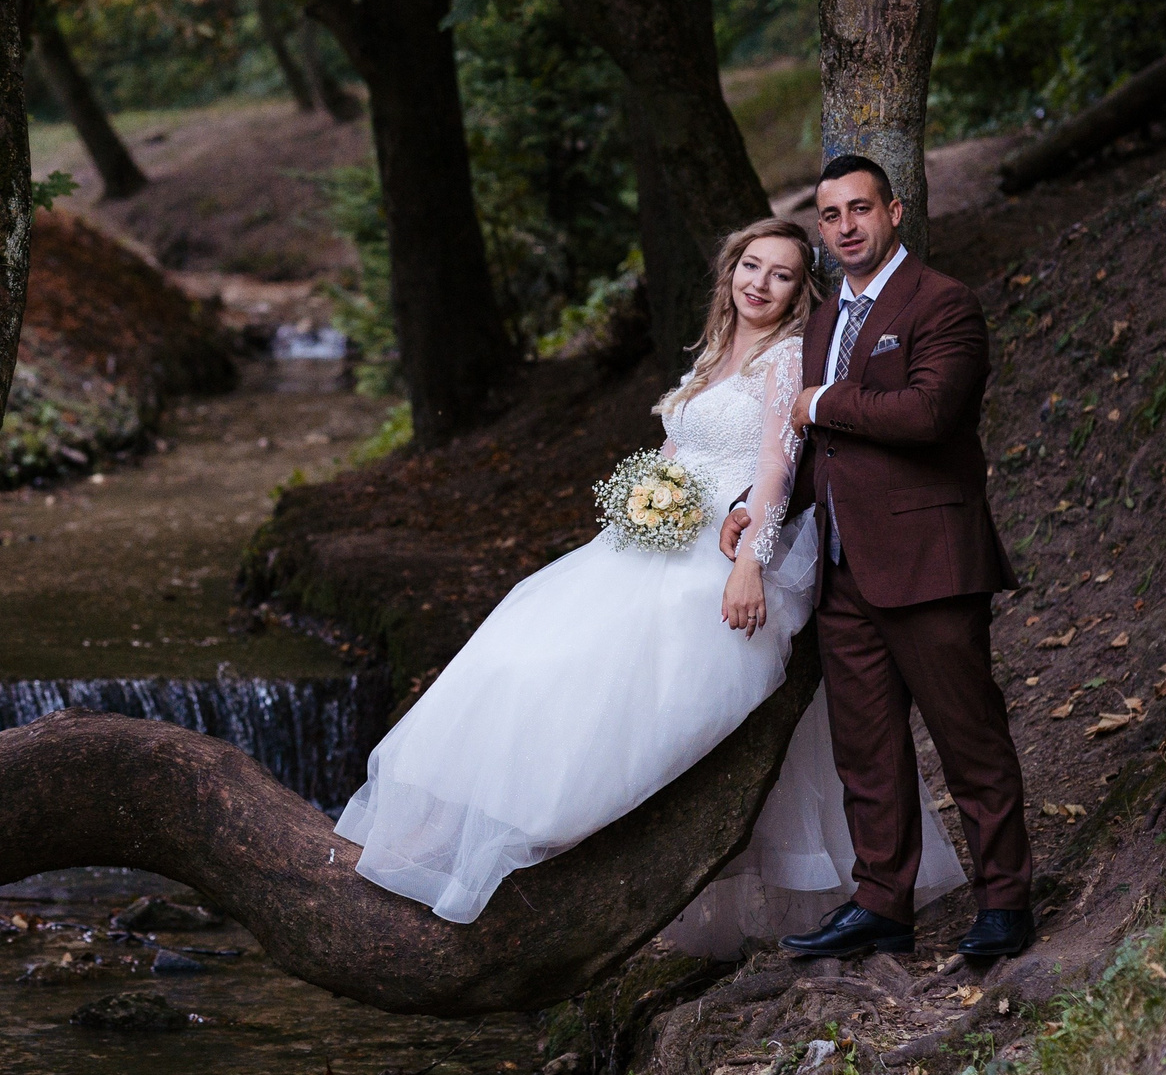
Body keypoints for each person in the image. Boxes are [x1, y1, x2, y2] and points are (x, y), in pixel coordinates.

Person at [334, 218, 964, 934]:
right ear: (729, 274)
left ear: (798, 293)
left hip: (722, 549)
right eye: (749, 266)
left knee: (618, 659)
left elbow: (774, 472)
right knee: (523, 637)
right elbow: (672, 452)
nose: (759, 282)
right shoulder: (713, 354)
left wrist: (750, 564)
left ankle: (551, 826)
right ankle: (473, 828)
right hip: (655, 538)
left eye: (780, 273)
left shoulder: (787, 360)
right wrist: (641, 505)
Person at [722, 154, 1033, 963]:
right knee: (867, 751)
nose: (846, 225)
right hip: (842, 566)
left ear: (894, 211)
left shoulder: (943, 302)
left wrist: (821, 399)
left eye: (861, 209)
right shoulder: (823, 316)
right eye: (832, 215)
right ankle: (882, 901)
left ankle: (1004, 900)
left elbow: (930, 412)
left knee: (970, 738)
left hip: (929, 560)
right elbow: (809, 449)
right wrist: (749, 511)